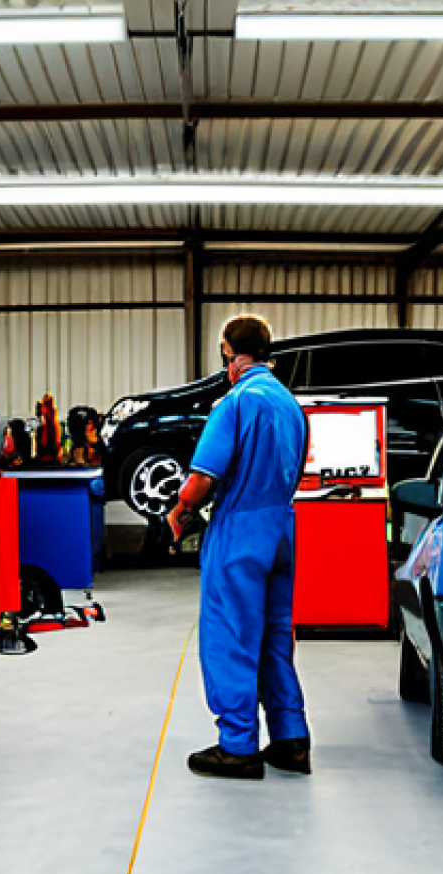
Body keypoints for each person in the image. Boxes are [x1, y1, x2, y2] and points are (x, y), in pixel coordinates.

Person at [167, 314, 311, 780]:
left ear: (230, 353)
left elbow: (202, 478)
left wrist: (179, 513)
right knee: (273, 638)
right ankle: (290, 740)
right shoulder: (290, 405)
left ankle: (237, 746)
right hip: (282, 529)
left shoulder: (235, 402)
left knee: (231, 636)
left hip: (240, 530)